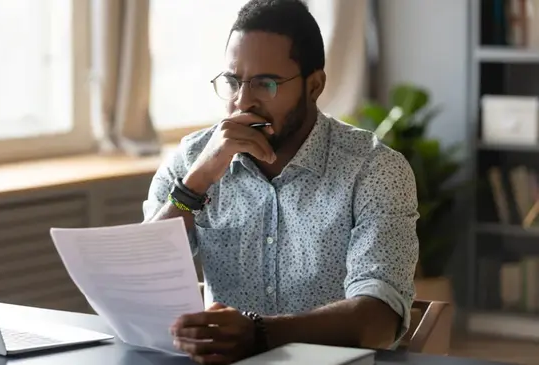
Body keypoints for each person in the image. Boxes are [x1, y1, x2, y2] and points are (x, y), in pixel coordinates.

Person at [143, 0, 419, 363]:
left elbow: (378, 319)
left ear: (314, 85)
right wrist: (195, 184)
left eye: (265, 84)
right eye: (233, 82)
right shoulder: (193, 161)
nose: (242, 103)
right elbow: (141, 281)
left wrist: (259, 334)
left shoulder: (374, 170)